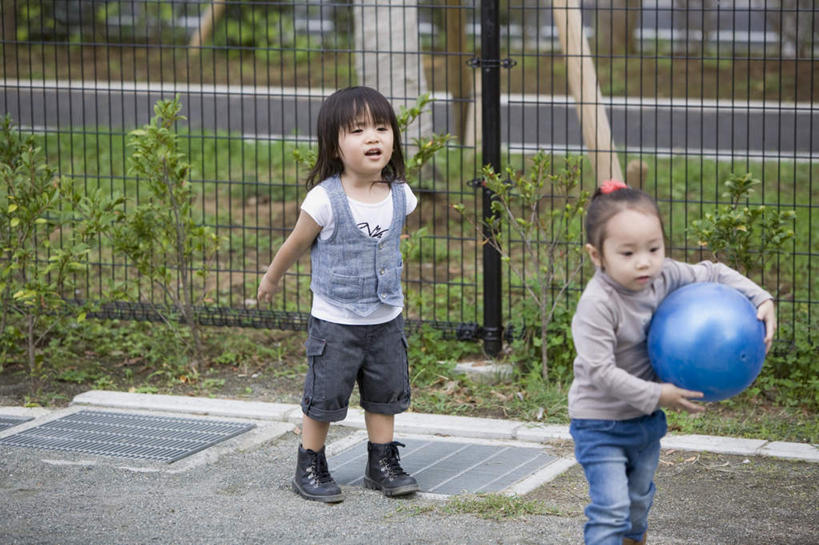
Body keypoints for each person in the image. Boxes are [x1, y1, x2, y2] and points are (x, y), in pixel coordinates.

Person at [569, 179, 777, 545]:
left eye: (654, 248)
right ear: (596, 256)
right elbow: (600, 373)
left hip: (645, 422)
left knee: (636, 504)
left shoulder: (663, 277)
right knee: (611, 509)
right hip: (598, 423)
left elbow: (712, 271)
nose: (644, 262)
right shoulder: (597, 305)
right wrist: (658, 394)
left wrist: (761, 298)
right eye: (628, 253)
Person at [257, 86, 419, 503]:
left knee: (385, 394)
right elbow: (294, 244)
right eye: (358, 130)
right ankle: (310, 462)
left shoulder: (401, 194)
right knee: (325, 397)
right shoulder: (325, 199)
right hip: (336, 322)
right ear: (334, 145)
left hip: (386, 319)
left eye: (382, 128)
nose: (373, 138)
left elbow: (396, 238)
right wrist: (272, 278)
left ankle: (380, 462)